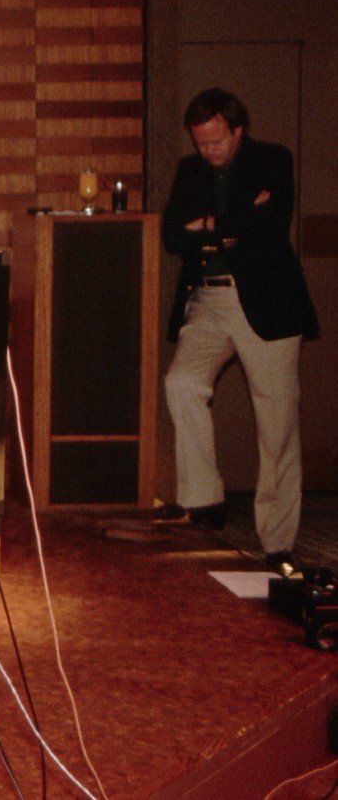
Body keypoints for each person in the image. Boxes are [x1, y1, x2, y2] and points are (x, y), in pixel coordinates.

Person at [157, 87, 319, 577]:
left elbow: (267, 228)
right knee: (181, 383)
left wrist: (205, 224)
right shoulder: (190, 171)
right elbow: (170, 235)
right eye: (201, 143)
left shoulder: (272, 160)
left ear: (237, 128)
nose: (208, 152)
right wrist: (228, 222)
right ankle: (204, 501)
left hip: (267, 304)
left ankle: (278, 541)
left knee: (277, 425)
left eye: (217, 142)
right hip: (208, 298)